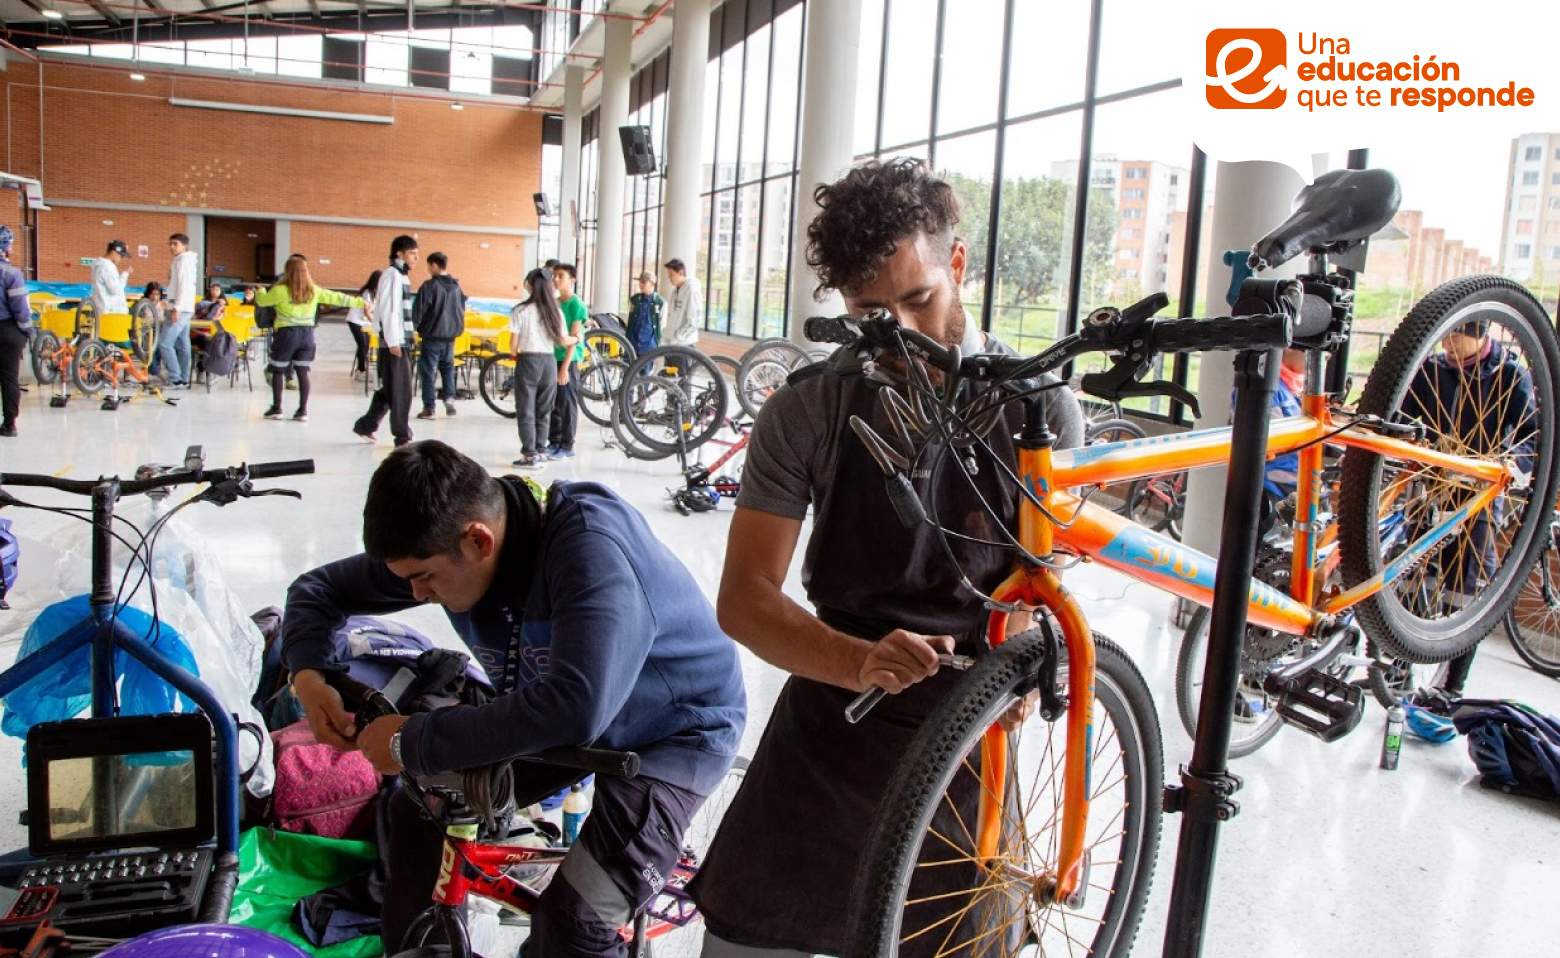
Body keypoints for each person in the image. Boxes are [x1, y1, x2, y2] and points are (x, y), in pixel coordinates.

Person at [689, 158, 1084, 957]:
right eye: (871, 311)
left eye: (919, 299)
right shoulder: (809, 410)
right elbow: (746, 598)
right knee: (746, 938)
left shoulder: (1041, 409)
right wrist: (859, 659)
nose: (899, 333)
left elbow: (1053, 596)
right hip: (829, 727)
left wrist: (1037, 668)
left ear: (959, 265)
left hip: (970, 742)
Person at [280, 441, 746, 958]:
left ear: (479, 540)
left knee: (571, 925)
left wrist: (416, 739)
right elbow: (316, 590)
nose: (415, 596)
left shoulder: (590, 551)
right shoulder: (453, 541)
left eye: (425, 578)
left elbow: (576, 707)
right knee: (416, 806)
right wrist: (309, 675)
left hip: (676, 731)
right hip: (557, 711)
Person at [1403, 317, 1537, 706]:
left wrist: (1514, 464)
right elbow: (1400, 417)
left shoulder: (1510, 375)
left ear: (1481, 336)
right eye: (1444, 334)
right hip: (1428, 486)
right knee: (1410, 579)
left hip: (1478, 492)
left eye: (1455, 336)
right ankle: (1398, 671)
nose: (1447, 343)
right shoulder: (1431, 370)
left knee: (1467, 591)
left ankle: (1452, 686)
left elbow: (1531, 434)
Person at [255, 254, 365, 422]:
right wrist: (361, 302)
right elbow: (337, 297)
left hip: (286, 335)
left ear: (287, 272)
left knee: (278, 369)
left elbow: (262, 301)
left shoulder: (280, 291)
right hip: (307, 335)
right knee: (303, 371)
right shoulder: (314, 290)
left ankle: (277, 408)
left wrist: (260, 290)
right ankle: (302, 411)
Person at [355, 236, 420, 447]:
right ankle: (402, 437)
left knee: (390, 389)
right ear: (400, 254)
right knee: (401, 392)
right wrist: (393, 341)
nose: (416, 257)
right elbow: (390, 311)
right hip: (395, 342)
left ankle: (366, 425)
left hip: (399, 340)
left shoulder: (400, 276)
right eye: (412, 253)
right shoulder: (392, 275)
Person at [510, 268, 573, 469]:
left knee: (526, 408)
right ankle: (541, 450)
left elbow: (513, 344)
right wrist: (578, 338)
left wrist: (514, 355)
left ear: (530, 285)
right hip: (549, 362)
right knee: (544, 409)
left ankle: (530, 455)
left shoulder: (520, 310)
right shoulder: (555, 311)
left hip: (528, 360)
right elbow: (563, 341)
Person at [414, 252, 466, 420]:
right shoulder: (457, 287)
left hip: (432, 336)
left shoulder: (430, 286)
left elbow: (418, 311)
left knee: (428, 372)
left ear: (434, 265)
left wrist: (415, 328)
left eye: (429, 266)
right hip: (451, 337)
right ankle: (449, 399)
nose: (428, 269)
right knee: (447, 369)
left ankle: (429, 408)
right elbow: (461, 310)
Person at [546, 263, 589, 461]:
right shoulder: (554, 302)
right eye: (554, 275)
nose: (555, 279)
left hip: (569, 359)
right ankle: (554, 441)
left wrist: (564, 368)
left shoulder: (576, 304)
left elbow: (574, 337)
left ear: (572, 280)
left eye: (560, 276)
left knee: (567, 402)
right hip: (553, 356)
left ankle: (567, 444)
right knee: (554, 402)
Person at [0, 225, 30, 438]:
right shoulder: (11, 273)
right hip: (7, 330)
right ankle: (9, 424)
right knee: (9, 377)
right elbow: (20, 308)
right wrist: (28, 330)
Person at [159, 232, 199, 387]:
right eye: (170, 244)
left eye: (175, 244)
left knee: (165, 343)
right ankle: (183, 377)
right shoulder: (181, 261)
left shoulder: (183, 261)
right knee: (183, 344)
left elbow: (184, 286)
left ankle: (175, 378)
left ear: (185, 245)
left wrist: (176, 308)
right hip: (184, 307)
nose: (171, 247)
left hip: (180, 308)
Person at [661, 258, 702, 349]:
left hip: (685, 345)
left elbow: (695, 320)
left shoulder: (692, 290)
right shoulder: (675, 291)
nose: (669, 278)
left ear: (681, 273)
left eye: (671, 275)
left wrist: (679, 336)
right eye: (668, 275)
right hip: (672, 344)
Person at [346, 271, 379, 380]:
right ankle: (361, 370)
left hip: (363, 322)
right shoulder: (367, 292)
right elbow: (366, 311)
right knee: (363, 344)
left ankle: (360, 367)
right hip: (355, 320)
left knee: (367, 343)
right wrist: (374, 322)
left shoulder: (375, 292)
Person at [88, 239, 131, 322]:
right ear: (114, 252)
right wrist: (125, 275)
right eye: (121, 256)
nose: (121, 259)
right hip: (113, 314)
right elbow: (115, 290)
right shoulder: (108, 266)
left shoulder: (97, 264)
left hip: (100, 311)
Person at [625, 270, 664, 355]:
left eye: (643, 282)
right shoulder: (634, 300)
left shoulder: (660, 303)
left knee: (646, 368)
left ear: (652, 284)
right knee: (628, 367)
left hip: (649, 348)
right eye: (640, 282)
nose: (640, 284)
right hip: (632, 345)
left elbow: (661, 326)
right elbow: (629, 321)